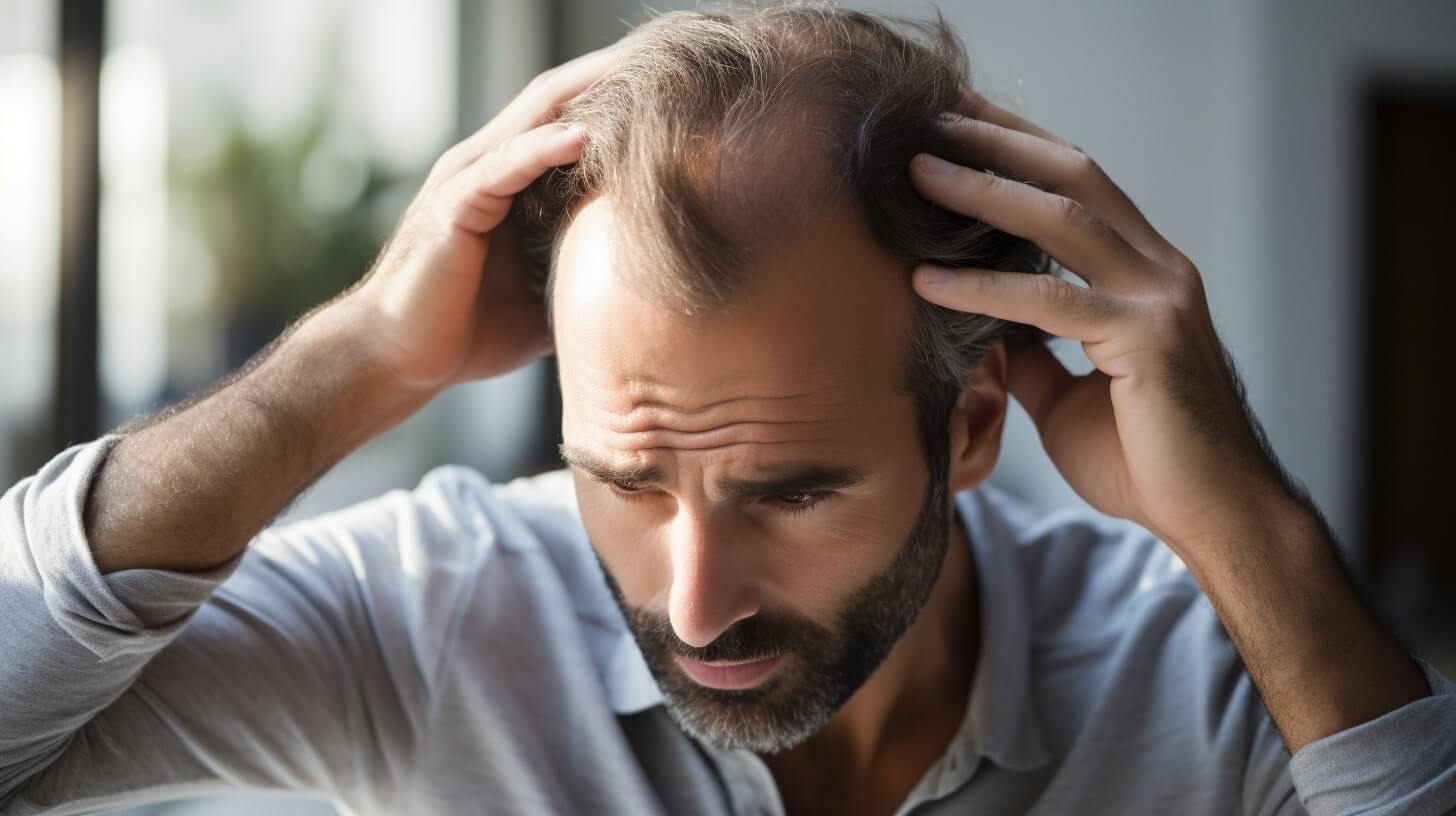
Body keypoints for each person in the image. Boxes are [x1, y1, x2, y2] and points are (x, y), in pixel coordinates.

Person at [2, 4, 1452, 815]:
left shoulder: (1213, 678)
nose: (693, 606)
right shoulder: (446, 609)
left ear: (970, 427)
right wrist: (363, 358)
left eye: (790, 490)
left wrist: (1251, 524)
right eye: (625, 479)